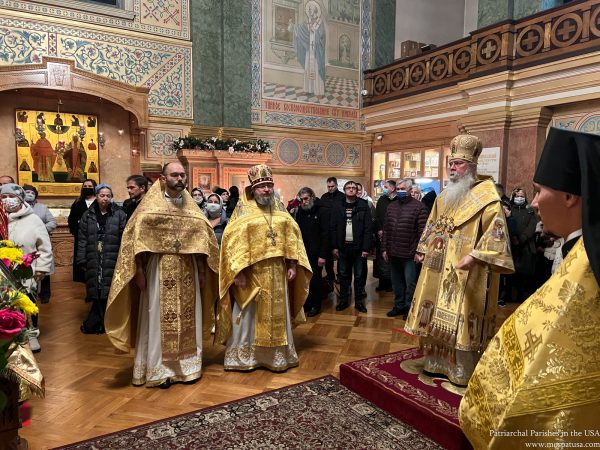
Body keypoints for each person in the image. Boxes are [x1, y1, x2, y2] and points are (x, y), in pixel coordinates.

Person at [459, 127, 600, 449]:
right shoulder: (580, 250)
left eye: (538, 191)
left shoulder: (588, 266)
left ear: (569, 197)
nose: (533, 203)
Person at [404, 134, 514, 386]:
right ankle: (434, 362)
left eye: (458, 164)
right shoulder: (444, 196)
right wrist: (422, 248)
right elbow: (432, 224)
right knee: (432, 315)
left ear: (472, 166)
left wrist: (475, 256)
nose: (452, 168)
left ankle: (461, 370)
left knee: (462, 316)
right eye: (450, 163)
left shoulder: (487, 199)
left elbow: (497, 234)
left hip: (469, 271)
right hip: (438, 267)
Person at [105, 162, 219, 388]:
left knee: (189, 318)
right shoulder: (148, 208)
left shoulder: (192, 209)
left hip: (189, 270)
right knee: (158, 319)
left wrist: (204, 271)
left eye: (183, 175)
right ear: (163, 179)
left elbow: (203, 241)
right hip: (158, 268)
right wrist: (137, 271)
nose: (180, 178)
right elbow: (134, 240)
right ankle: (160, 370)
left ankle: (188, 367)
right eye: (175, 175)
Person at [216, 164, 311, 372]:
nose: (266, 190)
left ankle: (277, 357)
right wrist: (237, 272)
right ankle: (246, 357)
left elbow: (292, 237)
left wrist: (293, 263)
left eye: (269, 185)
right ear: (252, 189)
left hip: (278, 271)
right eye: (262, 186)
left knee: (277, 314)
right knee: (250, 314)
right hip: (252, 275)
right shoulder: (242, 213)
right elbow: (232, 242)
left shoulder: (281, 212)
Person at [1, 183, 53, 353]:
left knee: (28, 301)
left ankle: (31, 334)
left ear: (20, 198)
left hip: (26, 269)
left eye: (11, 197)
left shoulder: (33, 219)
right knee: (6, 304)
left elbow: (44, 247)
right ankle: (8, 335)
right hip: (2, 270)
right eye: (3, 197)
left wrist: (41, 269)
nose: (7, 200)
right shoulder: (1, 219)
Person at [77, 184, 127, 334]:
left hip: (112, 255)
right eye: (102, 195)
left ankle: (106, 322)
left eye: (108, 196)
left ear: (111, 198)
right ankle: (98, 322)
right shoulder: (88, 214)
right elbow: (82, 238)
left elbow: (124, 237)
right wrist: (81, 259)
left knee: (109, 289)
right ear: (96, 196)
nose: (105, 198)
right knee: (96, 289)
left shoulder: (119, 214)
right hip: (94, 256)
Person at [382, 179, 429, 318]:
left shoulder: (419, 207)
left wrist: (420, 251)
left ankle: (409, 308)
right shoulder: (391, 206)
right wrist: (384, 249)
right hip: (393, 252)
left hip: (410, 254)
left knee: (410, 284)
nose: (400, 191)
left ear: (410, 190)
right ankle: (399, 305)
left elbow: (423, 232)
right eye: (398, 188)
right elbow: (386, 229)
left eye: (403, 188)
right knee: (396, 283)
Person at [330, 180, 373, 313]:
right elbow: (333, 227)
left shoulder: (363, 205)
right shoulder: (338, 206)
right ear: (344, 190)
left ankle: (359, 302)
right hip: (343, 248)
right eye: (349, 187)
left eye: (354, 187)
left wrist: (366, 248)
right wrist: (335, 247)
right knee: (343, 275)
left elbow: (368, 228)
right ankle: (344, 300)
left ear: (357, 190)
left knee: (359, 276)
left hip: (359, 248)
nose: (351, 189)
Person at [295, 187, 330, 317]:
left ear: (312, 197)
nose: (304, 202)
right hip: (304, 253)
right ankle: (307, 303)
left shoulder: (322, 211)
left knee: (315, 280)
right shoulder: (300, 212)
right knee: (304, 280)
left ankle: (316, 305)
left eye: (306, 199)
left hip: (317, 253)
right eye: (301, 199)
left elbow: (326, 234)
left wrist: (323, 255)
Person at [23, 184, 56, 303]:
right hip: (26, 244)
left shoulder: (42, 207)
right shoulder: (19, 207)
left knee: (44, 267)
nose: (29, 194)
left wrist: (40, 230)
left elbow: (52, 222)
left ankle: (45, 294)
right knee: (26, 268)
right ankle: (28, 293)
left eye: (31, 192)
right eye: (26, 192)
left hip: (41, 243)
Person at [289, 0, 326, 96]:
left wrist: (316, 34)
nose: (310, 11)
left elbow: (322, 35)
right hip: (308, 51)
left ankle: (318, 90)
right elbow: (300, 29)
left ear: (315, 10)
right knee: (308, 68)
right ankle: (309, 89)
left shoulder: (320, 22)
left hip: (316, 51)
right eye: (309, 9)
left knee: (316, 69)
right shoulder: (307, 21)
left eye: (311, 9)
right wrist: (293, 27)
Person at [508, 187, 537, 301]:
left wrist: (522, 238)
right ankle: (508, 296)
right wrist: (513, 238)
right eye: (517, 196)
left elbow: (532, 226)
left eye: (522, 196)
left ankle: (521, 296)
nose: (519, 198)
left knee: (523, 273)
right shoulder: (509, 209)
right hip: (511, 245)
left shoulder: (529, 210)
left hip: (525, 246)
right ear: (513, 196)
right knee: (510, 272)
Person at [68, 179, 97, 283]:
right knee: (81, 257)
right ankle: (81, 278)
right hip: (81, 236)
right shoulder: (77, 202)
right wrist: (76, 232)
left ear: (94, 188)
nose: (87, 188)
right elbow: (72, 219)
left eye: (90, 186)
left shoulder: (98, 201)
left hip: (96, 236)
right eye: (85, 186)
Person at [373, 179, 398, 292]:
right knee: (381, 259)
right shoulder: (382, 199)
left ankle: (392, 284)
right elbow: (377, 216)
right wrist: (379, 229)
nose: (384, 189)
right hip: (381, 235)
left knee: (392, 259)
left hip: (394, 236)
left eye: (386, 187)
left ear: (392, 188)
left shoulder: (398, 200)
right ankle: (382, 283)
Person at [320, 177, 345, 284]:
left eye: (332, 186)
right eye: (328, 186)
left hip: (339, 229)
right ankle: (330, 275)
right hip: (327, 230)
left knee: (340, 254)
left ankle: (340, 275)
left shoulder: (342, 197)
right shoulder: (324, 197)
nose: (330, 188)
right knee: (328, 255)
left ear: (336, 185)